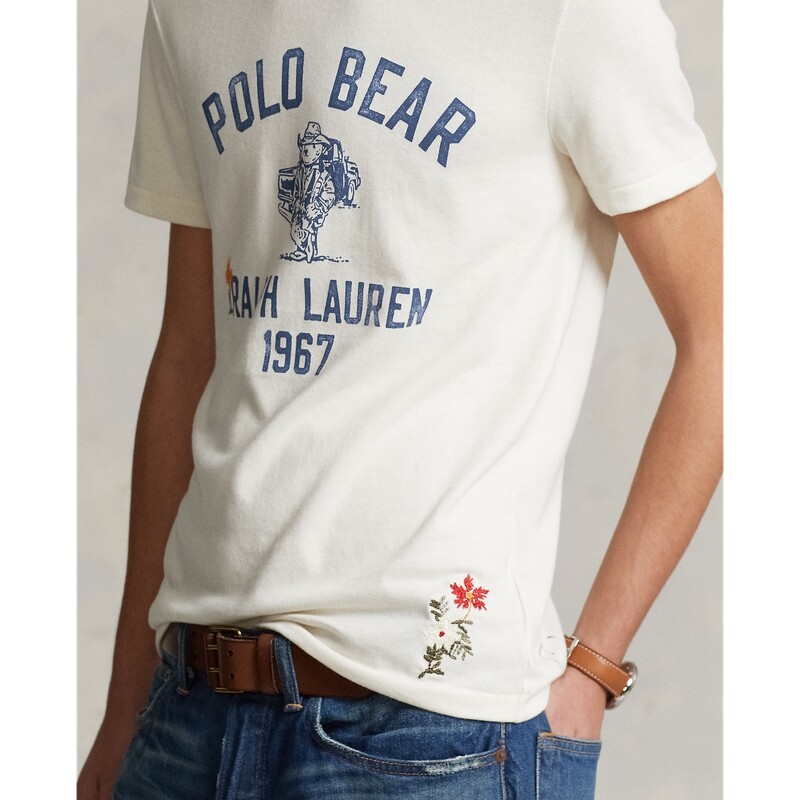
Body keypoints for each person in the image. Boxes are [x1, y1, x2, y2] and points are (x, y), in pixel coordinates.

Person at [78, 0, 722, 798]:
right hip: (190, 716)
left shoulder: (571, 16)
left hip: (435, 735)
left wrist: (594, 667)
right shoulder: (191, 10)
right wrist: (124, 703)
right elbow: (189, 352)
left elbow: (727, 333)